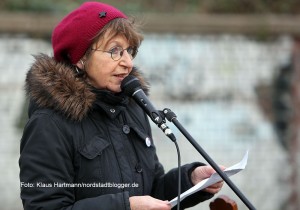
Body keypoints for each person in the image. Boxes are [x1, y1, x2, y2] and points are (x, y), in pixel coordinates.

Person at [19, 2, 224, 210]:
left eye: (129, 51)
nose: (128, 62)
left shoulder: (133, 108)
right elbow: (44, 206)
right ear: (80, 58)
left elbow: (152, 191)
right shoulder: (49, 124)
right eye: (115, 51)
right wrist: (125, 207)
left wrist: (191, 180)